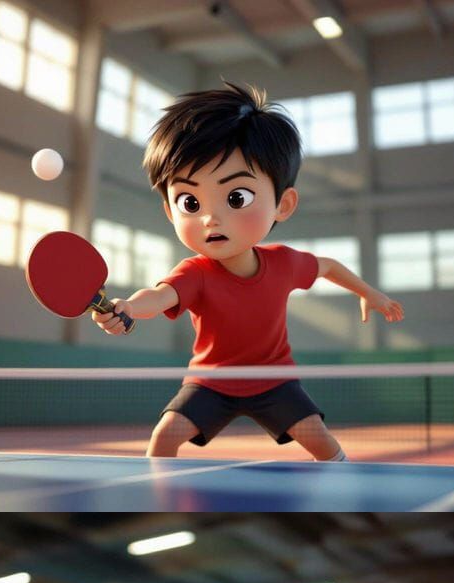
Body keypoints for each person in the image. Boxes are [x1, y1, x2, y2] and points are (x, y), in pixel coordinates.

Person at [92, 81, 404, 461]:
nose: (210, 218)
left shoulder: (284, 263)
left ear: (283, 204)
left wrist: (367, 292)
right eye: (189, 201)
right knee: (163, 439)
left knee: (325, 446)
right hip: (211, 382)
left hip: (274, 382)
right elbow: (158, 297)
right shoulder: (195, 272)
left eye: (236, 197)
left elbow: (328, 267)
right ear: (171, 211)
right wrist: (126, 306)